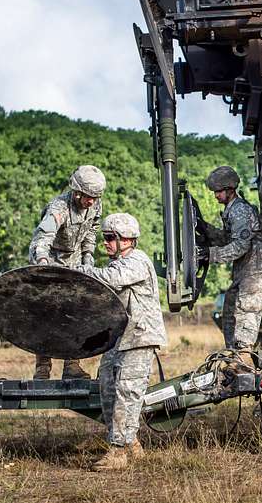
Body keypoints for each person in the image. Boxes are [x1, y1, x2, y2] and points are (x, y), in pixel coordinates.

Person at [73, 213, 166, 471]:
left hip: (140, 336)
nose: (105, 243)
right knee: (107, 383)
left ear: (126, 240)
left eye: (109, 238)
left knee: (127, 391)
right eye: (104, 238)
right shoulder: (118, 263)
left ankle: (118, 451)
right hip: (123, 337)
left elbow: (110, 279)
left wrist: (79, 270)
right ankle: (131, 442)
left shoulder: (136, 261)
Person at [28, 164, 106, 380]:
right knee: (47, 316)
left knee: (75, 313)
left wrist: (88, 258)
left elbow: (91, 232)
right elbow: (42, 238)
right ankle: (42, 368)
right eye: (88, 196)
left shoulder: (95, 205)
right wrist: (43, 262)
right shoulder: (58, 208)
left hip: (74, 262)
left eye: (95, 197)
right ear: (77, 190)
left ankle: (72, 366)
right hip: (50, 260)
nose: (91, 201)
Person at [197, 166, 262, 354]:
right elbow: (227, 239)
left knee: (247, 308)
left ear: (230, 190)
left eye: (218, 191)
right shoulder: (231, 210)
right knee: (231, 307)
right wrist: (204, 228)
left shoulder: (239, 210)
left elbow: (240, 246)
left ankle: (243, 354)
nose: (216, 196)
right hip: (246, 267)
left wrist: (212, 254)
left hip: (256, 268)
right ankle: (233, 352)